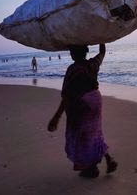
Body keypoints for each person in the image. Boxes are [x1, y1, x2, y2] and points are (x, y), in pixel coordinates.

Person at [47, 44, 117, 178]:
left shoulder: (73, 69)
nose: (71, 54)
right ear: (86, 52)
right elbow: (102, 52)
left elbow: (67, 95)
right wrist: (101, 39)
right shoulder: (92, 64)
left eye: (72, 52)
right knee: (95, 132)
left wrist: (56, 117)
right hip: (95, 100)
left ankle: (91, 168)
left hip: (82, 105)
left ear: (73, 54)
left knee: (81, 136)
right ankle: (108, 160)